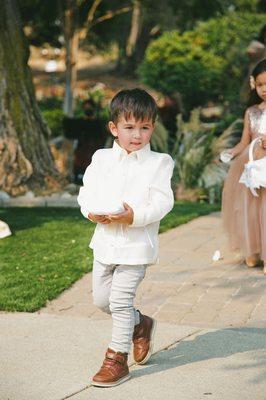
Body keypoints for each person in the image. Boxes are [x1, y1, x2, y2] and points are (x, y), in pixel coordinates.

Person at [77, 88, 174, 387]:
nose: (137, 134)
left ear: (152, 128)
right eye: (129, 127)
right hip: (105, 242)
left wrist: (135, 216)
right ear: (114, 128)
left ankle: (116, 359)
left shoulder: (159, 162)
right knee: (101, 300)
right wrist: (92, 212)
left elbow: (163, 202)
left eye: (144, 128)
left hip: (136, 247)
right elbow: (87, 192)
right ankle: (140, 323)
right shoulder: (101, 158)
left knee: (119, 301)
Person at [222, 59, 266, 274]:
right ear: (254, 86)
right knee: (251, 208)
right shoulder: (251, 112)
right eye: (260, 85)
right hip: (252, 164)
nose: (264, 89)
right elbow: (244, 141)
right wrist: (231, 153)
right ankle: (254, 249)